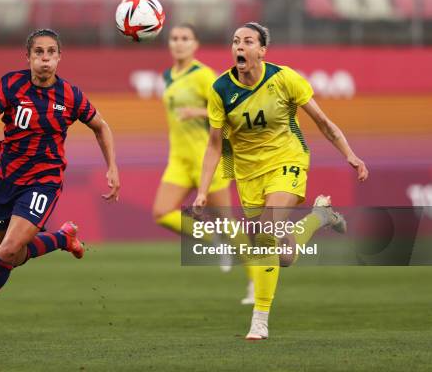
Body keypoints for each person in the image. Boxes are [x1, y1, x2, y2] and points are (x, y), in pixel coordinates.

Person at [0, 29, 120, 350]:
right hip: (6, 181)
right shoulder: (11, 84)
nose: (45, 59)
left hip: (44, 181)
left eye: (51, 52)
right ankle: (62, 238)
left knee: (6, 252)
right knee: (13, 256)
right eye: (38, 52)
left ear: (59, 57)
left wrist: (112, 166)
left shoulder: (70, 96)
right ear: (28, 57)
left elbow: (101, 127)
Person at [193, 22, 369, 340]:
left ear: (262, 51)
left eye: (247, 41)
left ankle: (259, 320)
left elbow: (324, 123)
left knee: (266, 236)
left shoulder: (284, 78)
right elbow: (215, 144)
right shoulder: (220, 89)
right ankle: (321, 217)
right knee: (284, 256)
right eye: (235, 41)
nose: (239, 47)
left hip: (287, 161)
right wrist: (203, 189)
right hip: (248, 175)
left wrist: (350, 154)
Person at [152, 24, 233, 271]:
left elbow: (229, 111)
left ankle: (256, 281)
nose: (179, 42)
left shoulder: (204, 75)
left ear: (195, 44)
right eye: (174, 38)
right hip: (179, 158)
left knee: (227, 224)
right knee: (162, 212)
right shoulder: (167, 76)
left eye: (185, 38)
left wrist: (197, 111)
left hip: (205, 157)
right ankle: (214, 241)